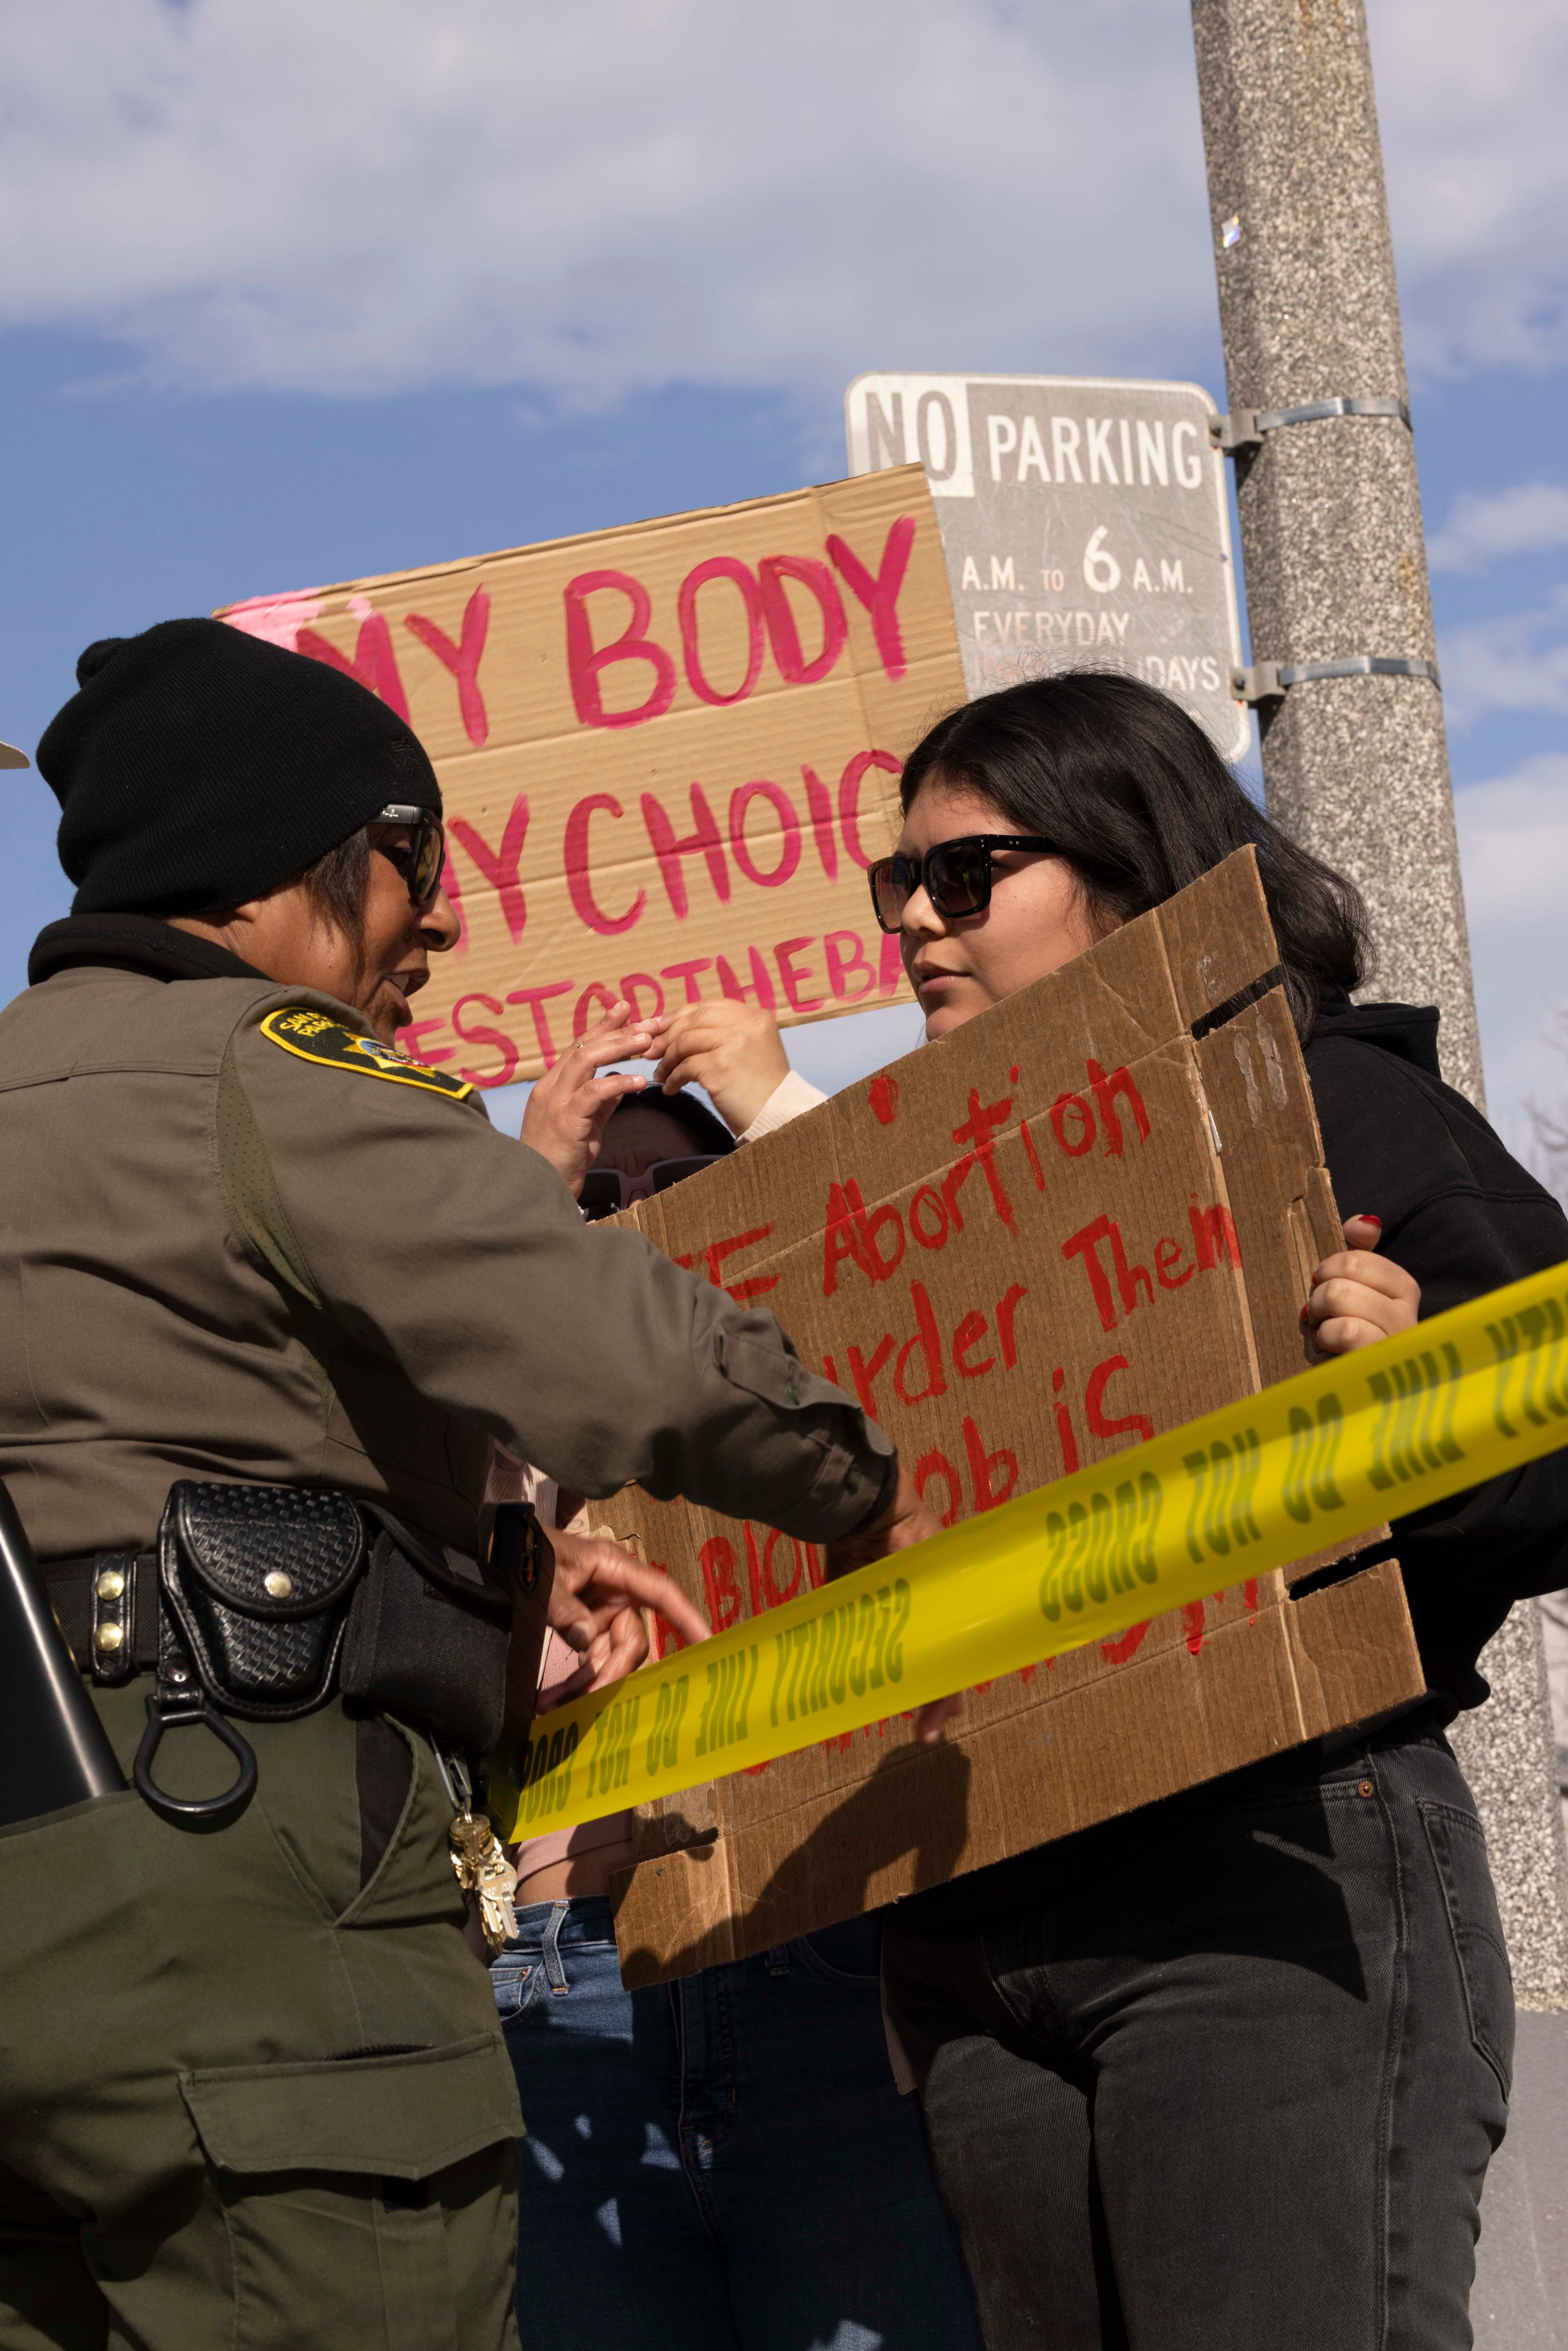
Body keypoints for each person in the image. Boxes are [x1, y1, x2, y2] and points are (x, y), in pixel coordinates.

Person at [0, 619, 935, 2351]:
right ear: (286, 865)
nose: (440, 921)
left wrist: (484, 1576)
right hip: (240, 1896)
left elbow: (146, 1453)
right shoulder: (267, 1072)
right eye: (413, 860)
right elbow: (622, 1345)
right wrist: (866, 1484)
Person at [641, 667, 1568, 2350]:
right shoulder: (901, 1217)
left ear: (1132, 869)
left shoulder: (1326, 1107)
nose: (919, 920)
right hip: (981, 1944)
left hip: (1266, 1886)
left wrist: (1426, 1403)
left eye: (970, 875)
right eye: (896, 886)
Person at [488, 1088, 984, 2351]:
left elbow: (928, 1228)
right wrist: (532, 1206)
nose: (642, 1214)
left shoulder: (824, 1398)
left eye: (681, 1175)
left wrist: (774, 1109)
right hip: (573, 1977)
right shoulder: (520, 1428)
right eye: (606, 1197)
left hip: (811, 1958)